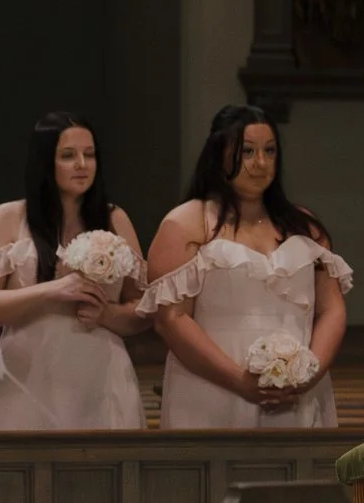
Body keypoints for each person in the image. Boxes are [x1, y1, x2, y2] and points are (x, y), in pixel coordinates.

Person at [140, 106, 350, 430]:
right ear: (219, 154)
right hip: (212, 387)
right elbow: (172, 320)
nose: (261, 163)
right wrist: (240, 381)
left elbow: (332, 308)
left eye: (269, 151)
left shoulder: (304, 226)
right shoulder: (186, 223)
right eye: (247, 152)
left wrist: (309, 374)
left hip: (297, 392)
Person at [0, 113, 148, 430]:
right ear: (45, 161)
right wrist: (50, 290)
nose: (82, 164)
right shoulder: (9, 218)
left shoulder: (115, 219)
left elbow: (143, 309)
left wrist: (107, 315)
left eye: (89, 154)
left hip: (99, 373)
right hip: (26, 374)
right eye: (68, 155)